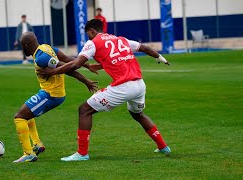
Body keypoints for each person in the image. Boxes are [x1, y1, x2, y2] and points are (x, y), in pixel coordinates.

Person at [38, 19, 171, 161]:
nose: (88, 37)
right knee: (138, 114)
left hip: (123, 86)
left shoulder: (93, 42)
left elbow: (75, 64)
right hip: (139, 84)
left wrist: (54, 72)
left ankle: (82, 154)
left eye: (88, 34)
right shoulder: (121, 39)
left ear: (91, 31)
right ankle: (163, 146)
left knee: (84, 110)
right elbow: (144, 48)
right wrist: (160, 57)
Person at [12, 32, 98, 163]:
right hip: (51, 93)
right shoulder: (46, 47)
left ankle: (28, 153)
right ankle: (37, 145)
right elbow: (68, 59)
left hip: (51, 95)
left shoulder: (42, 58)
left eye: (22, 47)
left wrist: (85, 80)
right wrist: (87, 65)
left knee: (19, 117)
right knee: (27, 114)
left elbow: (68, 69)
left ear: (25, 45)